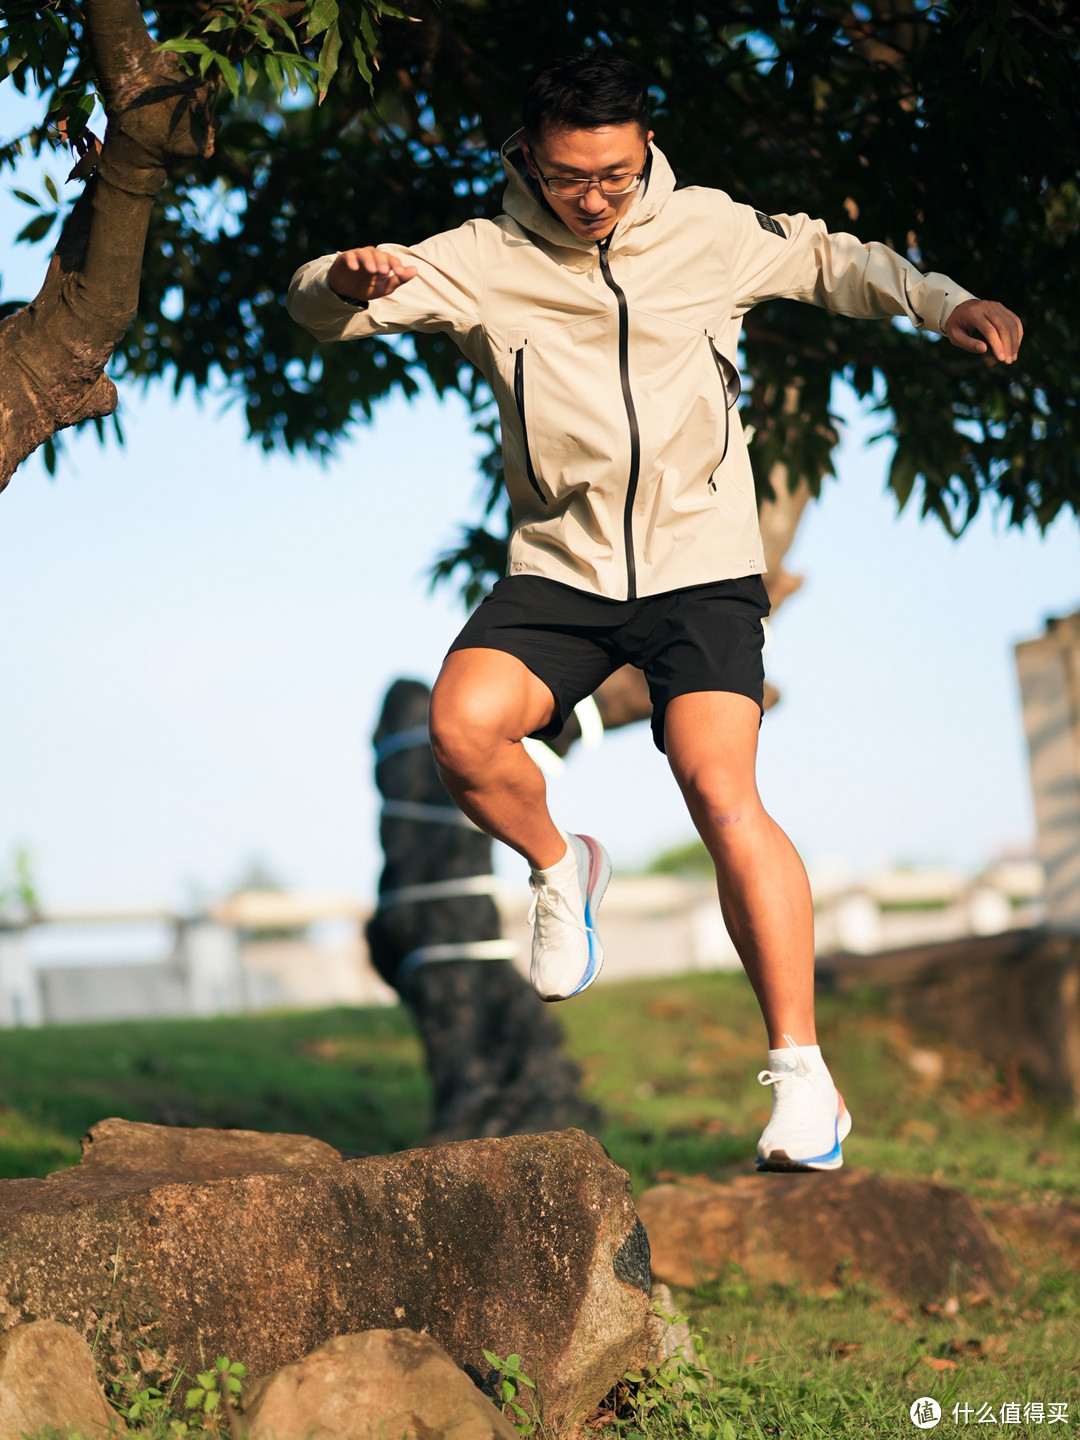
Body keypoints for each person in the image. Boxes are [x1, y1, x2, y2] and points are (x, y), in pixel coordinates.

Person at [288, 50, 1023, 1172]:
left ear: (645, 149)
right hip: (562, 566)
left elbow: (834, 260)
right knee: (462, 728)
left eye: (619, 176)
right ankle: (557, 863)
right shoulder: (482, 259)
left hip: (702, 568)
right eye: (573, 179)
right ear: (527, 160)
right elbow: (318, 314)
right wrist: (344, 284)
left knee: (720, 791)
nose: (597, 200)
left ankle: (802, 1082)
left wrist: (943, 302)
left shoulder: (706, 229)